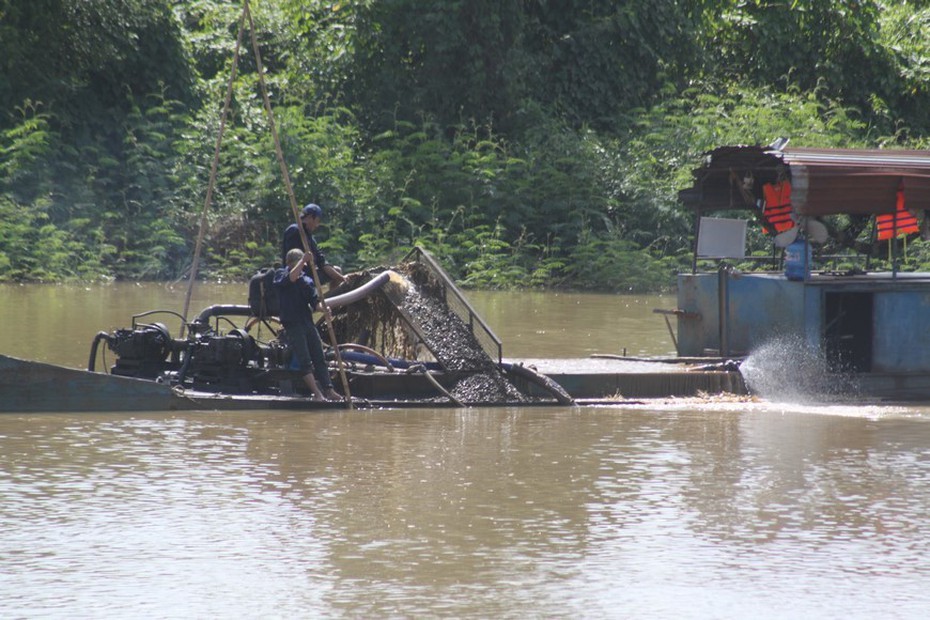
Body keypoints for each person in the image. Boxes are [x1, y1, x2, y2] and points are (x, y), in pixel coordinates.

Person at [273, 248, 343, 402]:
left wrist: (325, 310)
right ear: (290, 263)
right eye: (298, 263)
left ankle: (329, 390)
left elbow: (314, 303)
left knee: (319, 356)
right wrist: (303, 260)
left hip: (307, 323)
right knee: (304, 359)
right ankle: (317, 394)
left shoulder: (307, 280)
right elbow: (291, 278)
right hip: (292, 324)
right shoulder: (280, 275)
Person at [281, 203, 347, 290]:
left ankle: (332, 300)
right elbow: (292, 261)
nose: (317, 225)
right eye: (317, 221)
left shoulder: (310, 238)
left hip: (309, 274)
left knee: (337, 270)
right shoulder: (294, 231)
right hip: (296, 275)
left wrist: (343, 279)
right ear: (310, 218)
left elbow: (322, 263)